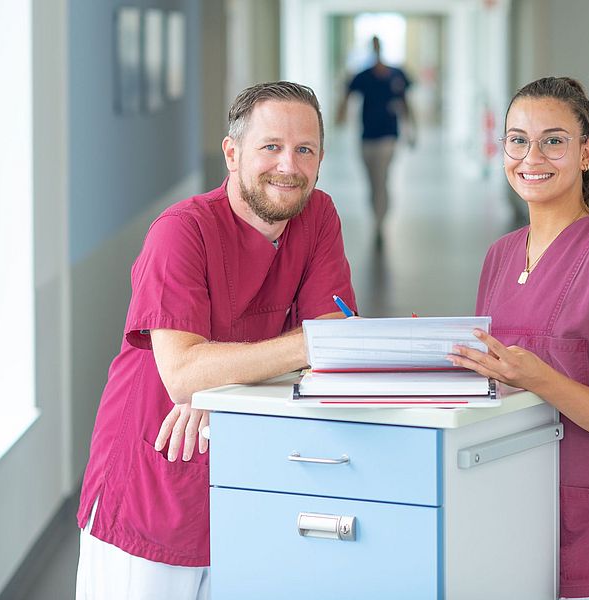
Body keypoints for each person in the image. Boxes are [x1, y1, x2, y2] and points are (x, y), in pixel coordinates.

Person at [74, 81, 356, 600]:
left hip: (250, 472)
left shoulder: (317, 216)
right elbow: (182, 374)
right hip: (154, 484)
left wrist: (219, 385)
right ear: (232, 153)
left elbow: (338, 354)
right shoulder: (180, 233)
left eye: (305, 149)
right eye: (270, 147)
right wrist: (302, 348)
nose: (288, 166)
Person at [448, 77, 589, 599]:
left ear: (586, 153)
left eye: (554, 140)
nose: (532, 156)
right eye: (518, 140)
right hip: (508, 521)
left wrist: (542, 380)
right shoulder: (499, 256)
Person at [336, 35, 414, 247]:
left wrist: (411, 130)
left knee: (382, 179)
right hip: (367, 137)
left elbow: (405, 103)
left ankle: (380, 222)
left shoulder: (396, 75)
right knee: (373, 181)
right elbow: (346, 97)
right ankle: (377, 215)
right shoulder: (362, 76)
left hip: (388, 136)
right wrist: (337, 119)